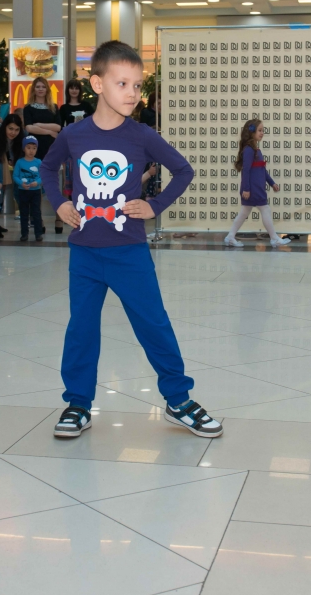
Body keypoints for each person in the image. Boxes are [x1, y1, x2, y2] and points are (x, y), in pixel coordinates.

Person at [39, 40, 221, 439]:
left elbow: (184, 171)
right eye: (122, 84)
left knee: (154, 324)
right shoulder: (73, 135)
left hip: (130, 252)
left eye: (137, 85)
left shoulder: (141, 136)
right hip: (85, 253)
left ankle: (179, 400)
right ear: (97, 84)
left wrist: (155, 206)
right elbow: (47, 169)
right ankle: (78, 404)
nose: (133, 93)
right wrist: (60, 203)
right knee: (81, 329)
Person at [223, 118, 290, 248]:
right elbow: (246, 170)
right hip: (254, 189)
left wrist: (272, 183)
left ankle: (230, 237)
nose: (262, 133)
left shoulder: (256, 151)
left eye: (263, 130)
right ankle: (274, 238)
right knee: (265, 209)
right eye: (259, 130)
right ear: (251, 132)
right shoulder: (249, 150)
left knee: (244, 213)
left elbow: (262, 170)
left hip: (254, 187)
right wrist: (246, 189)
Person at [22, 77, 61, 159]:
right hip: (34, 146)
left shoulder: (54, 107)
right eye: (38, 87)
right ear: (34, 89)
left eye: (43, 87)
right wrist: (49, 132)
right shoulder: (28, 108)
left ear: (47, 90)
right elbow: (29, 128)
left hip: (51, 145)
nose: (41, 89)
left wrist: (38, 125)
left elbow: (58, 127)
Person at [14, 136, 44, 242]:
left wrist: (37, 182)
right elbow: (15, 176)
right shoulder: (19, 162)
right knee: (24, 213)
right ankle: (24, 234)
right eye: (29, 148)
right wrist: (21, 184)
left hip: (35, 192)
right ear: (24, 149)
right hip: (23, 191)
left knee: (36, 212)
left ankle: (38, 233)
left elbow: (43, 176)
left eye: (34, 148)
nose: (31, 151)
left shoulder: (38, 162)